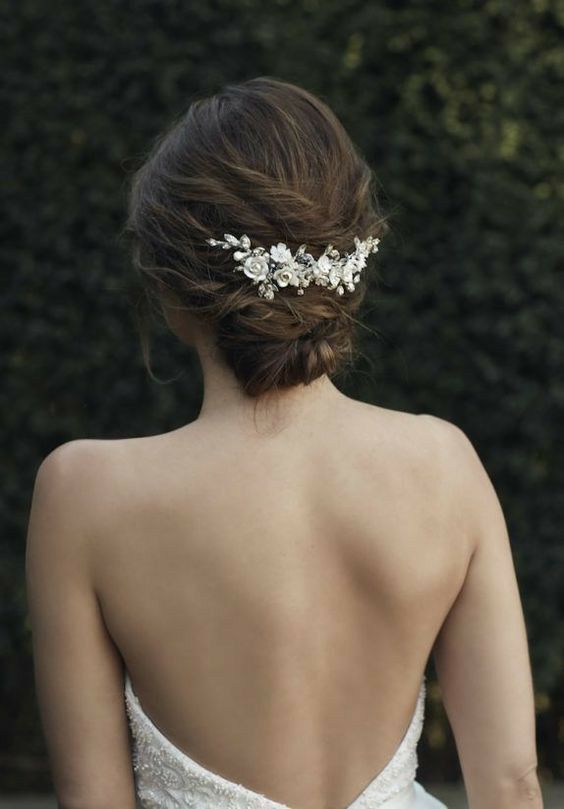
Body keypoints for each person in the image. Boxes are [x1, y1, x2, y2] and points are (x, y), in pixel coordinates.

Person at [25, 77, 542, 809]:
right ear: (346, 263)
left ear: (171, 285)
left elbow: (93, 800)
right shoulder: (444, 465)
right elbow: (511, 782)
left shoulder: (83, 493)